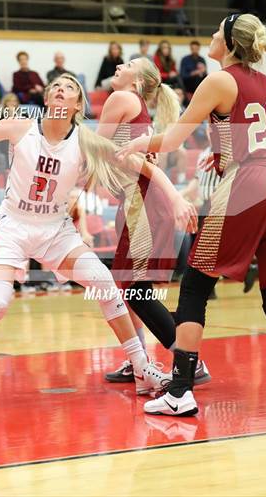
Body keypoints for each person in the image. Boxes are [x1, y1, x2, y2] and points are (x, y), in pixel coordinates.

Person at [0, 73, 194, 404]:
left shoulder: (86, 140)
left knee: (104, 281)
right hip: (13, 227)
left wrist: (175, 198)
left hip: (55, 230)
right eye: (56, 87)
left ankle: (141, 368)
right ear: (47, 99)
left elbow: (145, 167)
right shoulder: (19, 126)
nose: (62, 90)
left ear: (77, 106)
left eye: (70, 88)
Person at [117, 13, 266, 416]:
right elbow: (256, 135)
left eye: (217, 31)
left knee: (194, 286)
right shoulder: (265, 81)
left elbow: (172, 140)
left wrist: (135, 145)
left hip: (250, 187)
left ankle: (179, 391)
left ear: (229, 43)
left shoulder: (219, 80)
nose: (210, 35)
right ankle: (180, 387)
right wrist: (221, 156)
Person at [96, 57, 209, 386]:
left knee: (135, 291)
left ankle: (189, 361)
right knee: (129, 287)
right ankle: (139, 361)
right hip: (139, 203)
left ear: (139, 82)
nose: (120, 65)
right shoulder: (139, 109)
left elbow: (92, 149)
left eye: (129, 63)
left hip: (143, 205)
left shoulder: (121, 98)